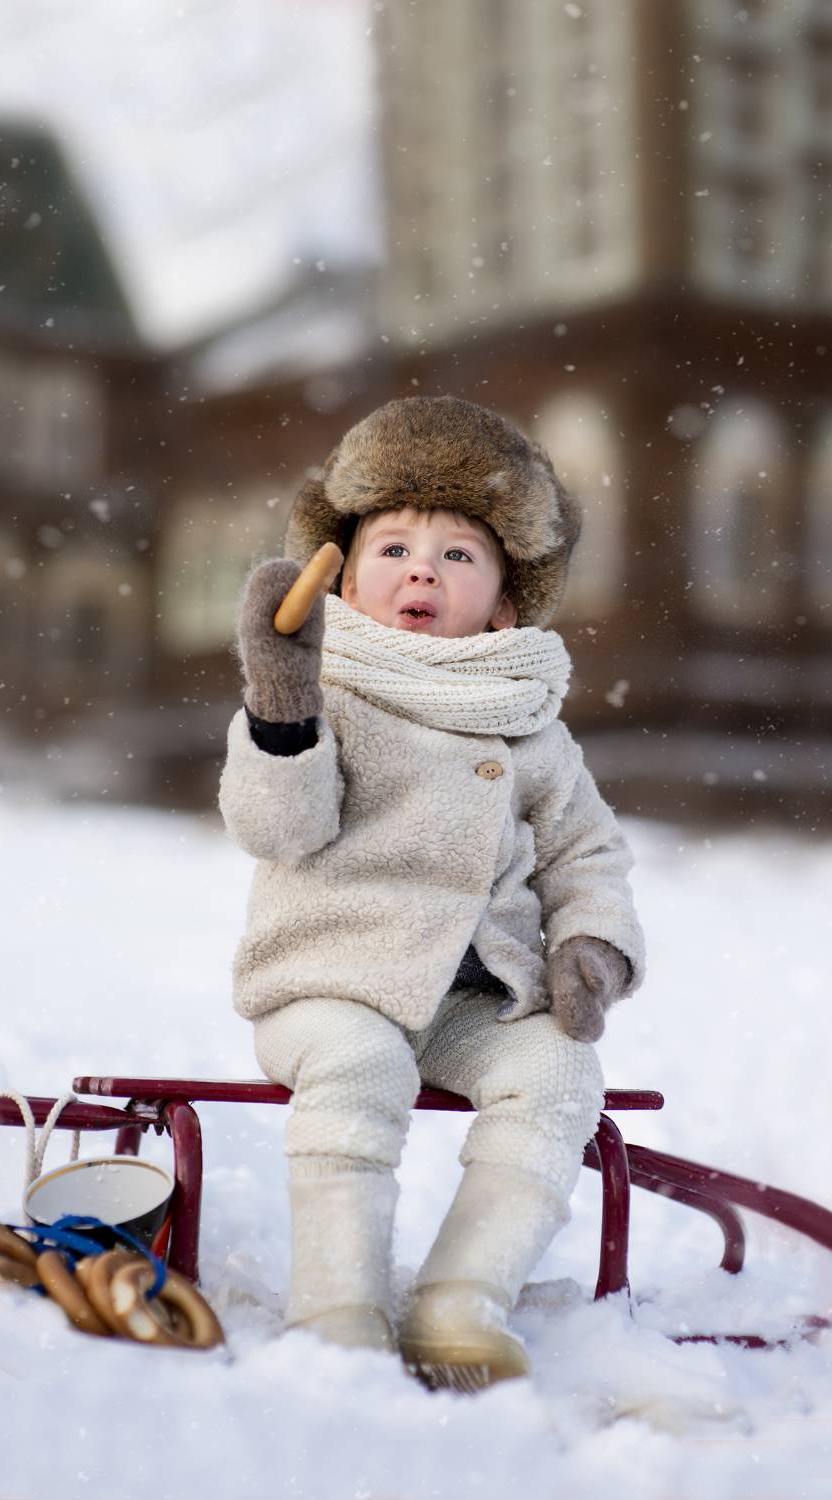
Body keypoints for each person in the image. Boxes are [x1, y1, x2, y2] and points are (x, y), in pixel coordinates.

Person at [218, 395, 645, 1390]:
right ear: (341, 580)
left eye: (457, 554)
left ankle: (462, 1299)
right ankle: (337, 1306)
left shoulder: (528, 725)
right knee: (360, 1065)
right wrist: (281, 711)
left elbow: (587, 854)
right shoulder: (321, 690)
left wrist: (591, 943)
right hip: (326, 987)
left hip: (470, 1002)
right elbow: (277, 829)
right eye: (393, 548)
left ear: (502, 605)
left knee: (557, 1075)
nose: (422, 570)